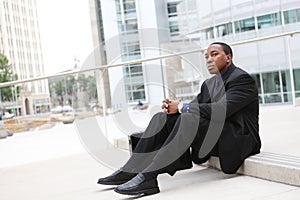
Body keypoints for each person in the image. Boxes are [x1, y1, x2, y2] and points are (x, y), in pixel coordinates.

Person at [97, 42, 261, 196]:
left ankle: (148, 177)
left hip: (237, 138)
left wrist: (182, 107)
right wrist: (174, 110)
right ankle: (130, 169)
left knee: (188, 118)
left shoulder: (241, 79)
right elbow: (196, 107)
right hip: (214, 137)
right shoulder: (209, 84)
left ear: (228, 58)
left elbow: (221, 110)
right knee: (162, 118)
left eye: (214, 54)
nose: (209, 59)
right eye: (206, 56)